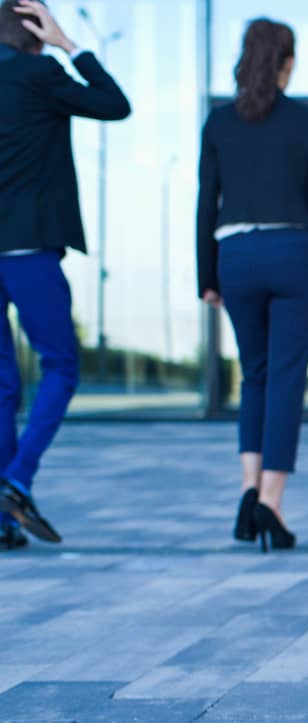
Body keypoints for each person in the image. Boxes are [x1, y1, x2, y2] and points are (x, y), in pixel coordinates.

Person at [198, 17, 308, 553]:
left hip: (234, 253)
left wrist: (206, 276)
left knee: (254, 375)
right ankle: (271, 501)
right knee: (285, 378)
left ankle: (248, 487)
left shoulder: (219, 123)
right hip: (292, 251)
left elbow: (204, 204)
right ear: (287, 63)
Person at [0, 0, 130, 549]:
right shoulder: (42, 73)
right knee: (61, 366)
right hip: (28, 249)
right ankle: (15, 481)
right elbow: (114, 105)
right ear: (36, 30)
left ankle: (4, 523)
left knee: (3, 384)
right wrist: (70, 46)